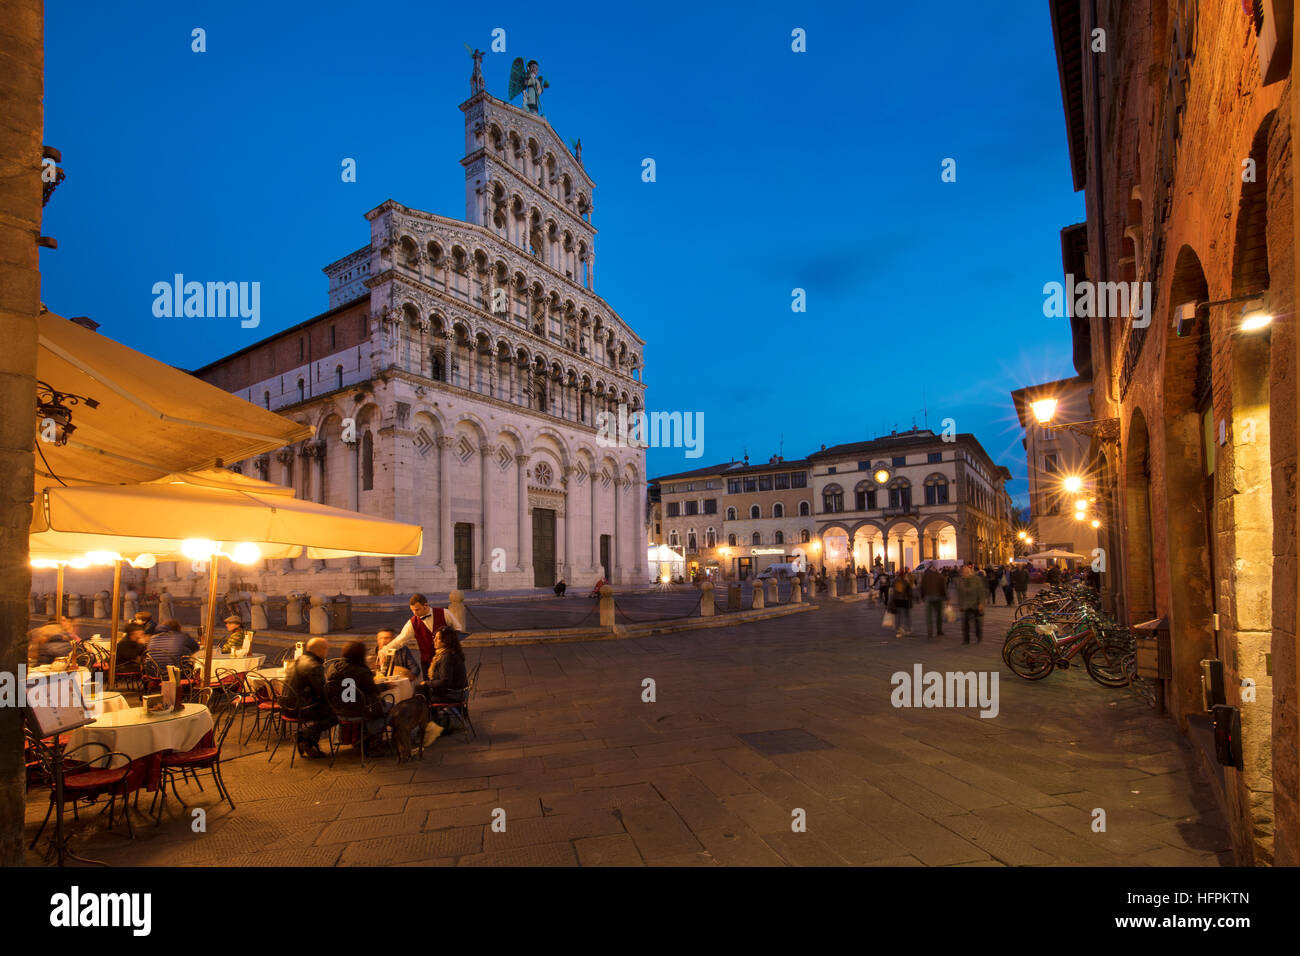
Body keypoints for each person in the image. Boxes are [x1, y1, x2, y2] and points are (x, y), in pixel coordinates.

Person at [326, 640, 390, 747]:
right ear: (361, 655)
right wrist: (386, 685)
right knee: (390, 707)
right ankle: (373, 738)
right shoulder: (361, 671)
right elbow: (373, 690)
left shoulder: (333, 667)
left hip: (338, 709)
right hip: (360, 710)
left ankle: (359, 736)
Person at [282, 637, 335, 757]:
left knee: (328, 710)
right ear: (320, 650)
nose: (327, 652)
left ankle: (308, 743)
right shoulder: (314, 666)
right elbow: (322, 692)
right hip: (301, 708)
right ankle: (304, 737)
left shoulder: (299, 660)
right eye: (326, 649)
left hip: (287, 706)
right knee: (335, 714)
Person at [386, 593, 462, 678]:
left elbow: (458, 629)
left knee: (449, 685)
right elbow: (400, 640)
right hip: (427, 662)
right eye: (412, 610)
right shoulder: (412, 622)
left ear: (425, 605)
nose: (415, 613)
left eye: (417, 609)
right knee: (430, 688)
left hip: (448, 659)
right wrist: (384, 651)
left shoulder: (444, 613)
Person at [422, 626, 469, 728]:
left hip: (454, 694)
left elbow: (445, 681)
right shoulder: (451, 652)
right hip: (460, 691)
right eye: (434, 637)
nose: (434, 640)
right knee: (421, 691)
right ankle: (434, 723)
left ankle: (433, 725)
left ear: (446, 641)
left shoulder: (446, 656)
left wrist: (426, 683)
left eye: (438, 638)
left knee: (421, 697)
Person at [956, 565, 986, 644]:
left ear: (970, 572)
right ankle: (966, 640)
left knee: (977, 623)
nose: (964, 574)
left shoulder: (976, 580)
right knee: (965, 624)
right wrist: (960, 605)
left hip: (975, 604)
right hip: (965, 605)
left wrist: (981, 603)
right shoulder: (961, 581)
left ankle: (979, 637)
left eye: (966, 572)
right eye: (963, 572)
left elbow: (981, 592)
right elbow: (959, 594)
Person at [920, 564, 947, 638]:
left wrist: (922, 596)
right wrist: (945, 596)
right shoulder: (939, 575)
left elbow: (922, 586)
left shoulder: (925, 575)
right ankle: (939, 630)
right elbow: (943, 586)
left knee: (929, 616)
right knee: (938, 615)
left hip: (928, 597)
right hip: (938, 597)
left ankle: (930, 632)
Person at [889, 568, 914, 638]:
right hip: (905, 600)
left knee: (898, 616)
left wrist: (891, 601)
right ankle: (909, 629)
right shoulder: (906, 581)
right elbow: (910, 591)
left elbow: (892, 591)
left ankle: (899, 630)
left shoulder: (895, 581)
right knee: (907, 615)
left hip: (897, 600)